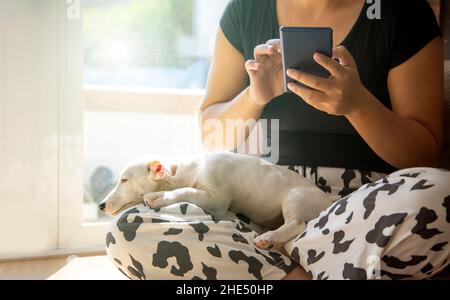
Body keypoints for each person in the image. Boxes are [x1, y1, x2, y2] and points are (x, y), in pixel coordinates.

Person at [105, 0, 450, 280]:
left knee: (442, 193)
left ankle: (282, 267)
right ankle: (312, 270)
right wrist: (255, 96)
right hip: (251, 204)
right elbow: (212, 137)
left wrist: (357, 105)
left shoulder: (402, 12)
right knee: (128, 231)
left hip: (359, 211)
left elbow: (422, 153)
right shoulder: (245, 10)